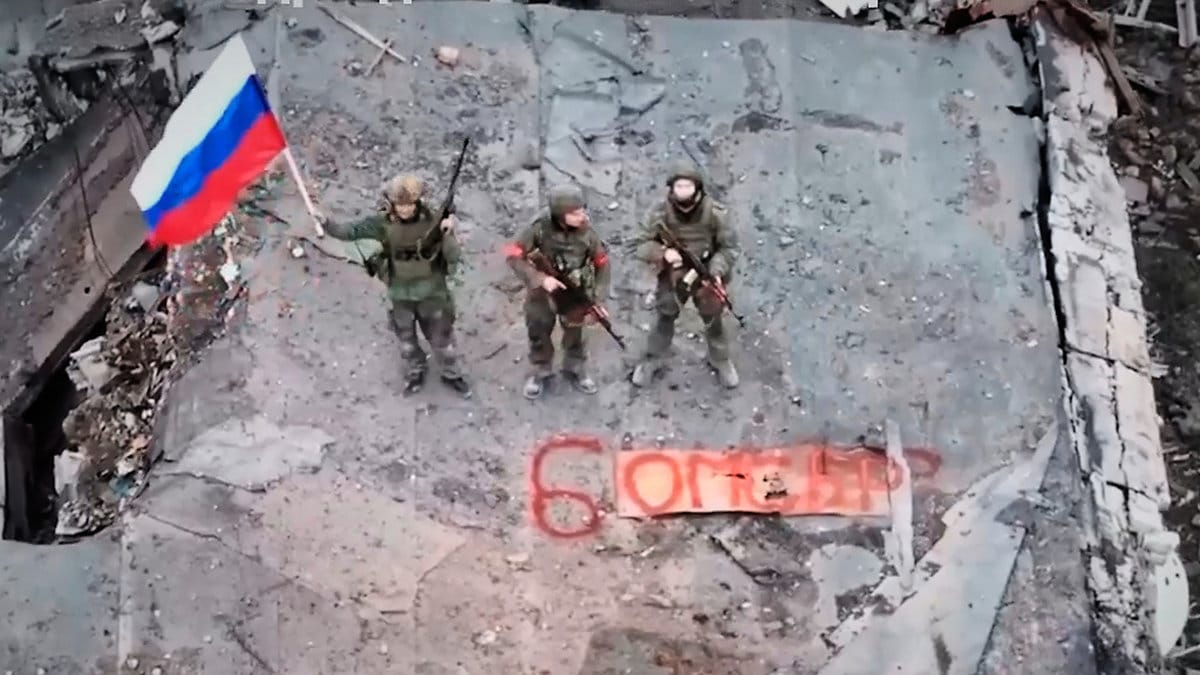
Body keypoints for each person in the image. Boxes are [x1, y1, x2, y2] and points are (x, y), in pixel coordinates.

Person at [316, 174, 470, 397]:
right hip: (400, 294)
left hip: (432, 293)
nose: (405, 209)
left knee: (443, 342)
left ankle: (451, 374)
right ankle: (416, 371)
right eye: (400, 204)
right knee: (407, 343)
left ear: (418, 202)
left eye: (410, 204)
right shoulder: (383, 224)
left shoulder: (434, 221)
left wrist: (448, 233)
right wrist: (326, 223)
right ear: (391, 204)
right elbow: (350, 232)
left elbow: (454, 256)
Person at [629, 161, 741, 389]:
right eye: (678, 186)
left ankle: (720, 359)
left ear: (697, 188)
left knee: (713, 319)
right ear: (671, 188)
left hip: (706, 274)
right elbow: (637, 244)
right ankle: (653, 358)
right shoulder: (659, 212)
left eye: (687, 186)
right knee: (665, 316)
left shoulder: (715, 214)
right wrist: (663, 253)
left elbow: (730, 248)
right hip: (673, 275)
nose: (683, 191)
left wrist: (716, 269)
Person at [505, 184, 611, 400]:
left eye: (582, 210)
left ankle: (575, 368)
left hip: (574, 292)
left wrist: (597, 299)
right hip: (542, 294)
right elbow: (513, 255)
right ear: (561, 214)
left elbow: (602, 264)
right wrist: (540, 279)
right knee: (538, 331)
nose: (582, 216)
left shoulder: (588, 233)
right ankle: (540, 369)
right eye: (575, 213)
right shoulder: (538, 228)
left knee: (576, 334)